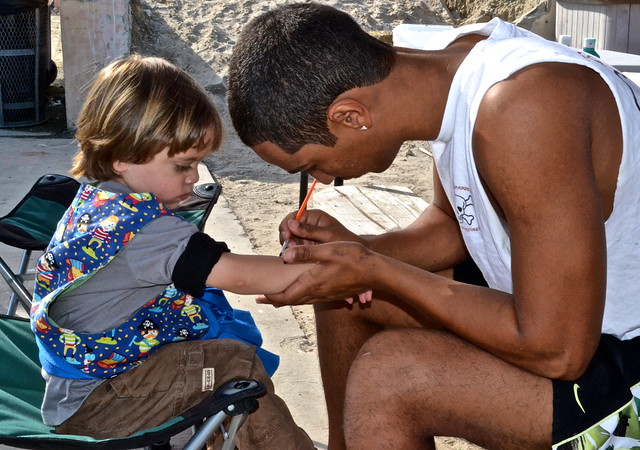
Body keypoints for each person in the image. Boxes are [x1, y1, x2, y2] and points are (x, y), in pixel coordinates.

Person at [227, 3, 640, 450]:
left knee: (392, 376)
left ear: (350, 115)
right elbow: (456, 223)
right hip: (561, 315)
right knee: (343, 297)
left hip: (614, 351)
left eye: (311, 165)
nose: (324, 180)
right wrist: (354, 252)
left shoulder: (521, 106)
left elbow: (557, 351)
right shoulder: (443, 69)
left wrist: (376, 268)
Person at [29, 55, 315, 449]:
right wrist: (328, 268)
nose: (195, 177)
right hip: (103, 403)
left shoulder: (99, 201)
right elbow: (242, 276)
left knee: (208, 359)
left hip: (84, 389)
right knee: (235, 363)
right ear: (123, 155)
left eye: (198, 163)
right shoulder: (147, 232)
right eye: (183, 165)